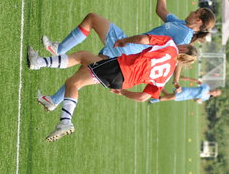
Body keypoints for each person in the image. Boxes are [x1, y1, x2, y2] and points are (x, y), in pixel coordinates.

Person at [34, 0, 215, 111]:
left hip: (130, 50)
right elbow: (161, 10)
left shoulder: (184, 35)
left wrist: (175, 79)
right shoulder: (181, 24)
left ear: (199, 21)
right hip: (130, 49)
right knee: (87, 68)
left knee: (92, 21)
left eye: (196, 12)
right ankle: (53, 100)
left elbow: (176, 58)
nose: (192, 11)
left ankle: (57, 52)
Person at [27, 34, 198, 141]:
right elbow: (143, 97)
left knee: (73, 83)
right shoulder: (167, 75)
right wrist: (123, 92)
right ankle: (40, 66)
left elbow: (142, 40)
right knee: (83, 57)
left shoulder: (169, 44)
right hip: (121, 81)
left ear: (184, 48)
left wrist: (125, 41)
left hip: (120, 67)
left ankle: (65, 121)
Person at [149, 77, 222, 105]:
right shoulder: (206, 87)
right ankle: (154, 99)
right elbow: (197, 81)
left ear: (215, 95)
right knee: (170, 97)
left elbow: (196, 99)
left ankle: (158, 86)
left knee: (168, 96)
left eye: (216, 93)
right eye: (216, 90)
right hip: (186, 91)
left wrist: (197, 100)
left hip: (187, 97)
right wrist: (186, 78)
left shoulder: (206, 97)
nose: (215, 91)